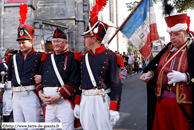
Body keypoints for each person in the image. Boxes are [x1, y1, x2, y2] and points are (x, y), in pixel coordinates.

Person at [140, 13, 194, 130]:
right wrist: (151, 73)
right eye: (170, 34)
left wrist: (185, 77)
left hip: (183, 105)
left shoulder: (192, 48)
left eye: (176, 34)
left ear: (185, 33)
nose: (172, 37)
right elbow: (158, 67)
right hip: (162, 102)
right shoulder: (167, 49)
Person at [73, 18, 123, 130]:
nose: (83, 40)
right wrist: (77, 103)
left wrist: (114, 108)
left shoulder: (110, 56)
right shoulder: (85, 56)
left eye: (86, 37)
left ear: (94, 39)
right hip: (85, 99)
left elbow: (116, 84)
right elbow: (80, 81)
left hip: (101, 99)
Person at [34, 28, 81, 130]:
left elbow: (75, 81)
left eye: (58, 41)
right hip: (48, 104)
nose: (55, 44)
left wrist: (59, 96)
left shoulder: (73, 57)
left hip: (64, 102)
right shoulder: (46, 58)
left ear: (66, 43)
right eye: (54, 42)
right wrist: (40, 94)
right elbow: (37, 79)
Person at [7, 24, 42, 129]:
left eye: (23, 42)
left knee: (32, 126)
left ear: (31, 42)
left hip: (30, 94)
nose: (21, 45)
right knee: (19, 126)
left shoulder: (39, 57)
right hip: (16, 95)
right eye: (19, 43)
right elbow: (9, 75)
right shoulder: (13, 58)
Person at [1, 49, 17, 123]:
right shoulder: (1, 65)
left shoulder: (17, 64)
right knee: (7, 108)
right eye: (10, 55)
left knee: (18, 109)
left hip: (17, 89)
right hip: (6, 89)